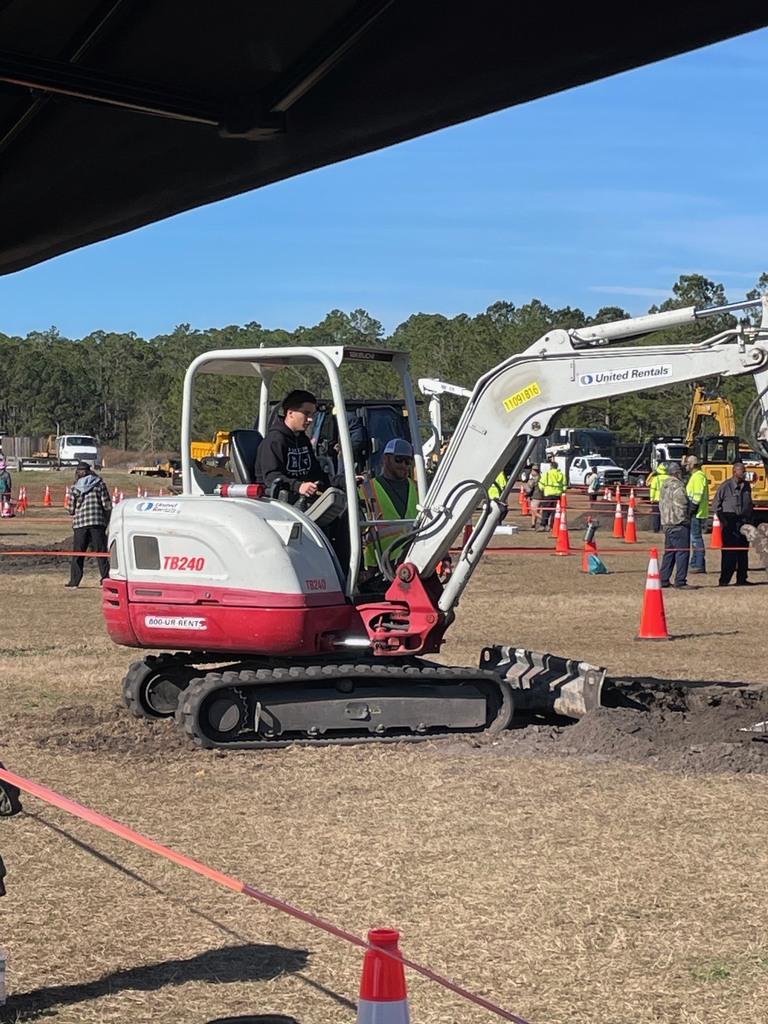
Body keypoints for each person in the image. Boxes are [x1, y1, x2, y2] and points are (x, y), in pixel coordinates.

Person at [255, 389, 331, 501]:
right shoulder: (274, 441)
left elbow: (316, 474)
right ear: (290, 413)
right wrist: (298, 486)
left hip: (301, 498)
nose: (310, 419)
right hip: (278, 501)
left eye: (312, 414)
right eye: (306, 413)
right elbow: (271, 478)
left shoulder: (303, 440)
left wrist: (345, 481)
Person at [359, 437, 419, 573]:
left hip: (412, 562)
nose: (404, 465)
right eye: (398, 460)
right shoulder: (366, 490)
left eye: (408, 461)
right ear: (385, 458)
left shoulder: (417, 489)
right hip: (379, 567)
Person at [66, 462, 112, 588]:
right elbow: (106, 504)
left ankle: (74, 582)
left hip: (80, 524)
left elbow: (71, 509)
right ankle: (105, 579)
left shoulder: (74, 487)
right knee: (101, 552)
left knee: (78, 553)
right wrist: (107, 518)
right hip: (98, 522)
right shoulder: (100, 484)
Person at [713, 461, 753, 586]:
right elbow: (716, 505)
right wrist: (723, 521)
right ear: (735, 472)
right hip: (730, 521)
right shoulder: (725, 486)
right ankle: (724, 580)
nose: (744, 473)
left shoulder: (746, 486)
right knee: (729, 552)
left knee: (743, 550)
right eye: (742, 471)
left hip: (744, 521)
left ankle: (742, 578)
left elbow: (749, 504)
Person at [658, 462, 690, 588]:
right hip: (678, 523)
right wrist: (686, 518)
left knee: (669, 552)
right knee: (682, 552)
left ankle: (664, 579)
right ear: (677, 473)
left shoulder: (664, 485)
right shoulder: (678, 486)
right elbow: (683, 504)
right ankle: (680, 580)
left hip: (666, 523)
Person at [684, 455, 709, 574]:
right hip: (697, 511)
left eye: (687, 464)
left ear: (692, 465)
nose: (686, 467)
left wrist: (691, 509)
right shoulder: (696, 476)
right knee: (694, 538)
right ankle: (695, 562)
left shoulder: (698, 477)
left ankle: (698, 564)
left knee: (696, 539)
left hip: (697, 512)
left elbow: (697, 496)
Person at [538, 457, 567, 531]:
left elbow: (541, 484)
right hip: (557, 495)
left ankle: (543, 525)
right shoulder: (561, 475)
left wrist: (543, 489)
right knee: (555, 512)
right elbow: (564, 486)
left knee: (545, 511)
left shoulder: (546, 474)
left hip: (547, 494)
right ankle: (552, 526)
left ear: (551, 467)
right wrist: (561, 491)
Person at [648, 462, 668, 533]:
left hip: (656, 499)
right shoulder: (668, 478)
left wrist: (651, 498)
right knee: (665, 514)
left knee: (656, 515)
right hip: (666, 499)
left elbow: (653, 489)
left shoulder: (656, 479)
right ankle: (664, 528)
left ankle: (656, 529)